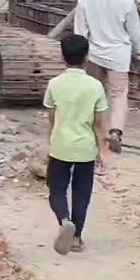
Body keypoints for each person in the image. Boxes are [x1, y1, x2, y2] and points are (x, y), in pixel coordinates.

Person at [44, 33, 108, 255]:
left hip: (60, 145)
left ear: (63, 57)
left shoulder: (54, 85)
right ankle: (77, 238)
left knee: (56, 189)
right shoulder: (95, 86)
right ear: (86, 57)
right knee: (82, 193)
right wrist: (103, 151)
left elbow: (52, 119)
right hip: (85, 148)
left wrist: (49, 144)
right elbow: (99, 125)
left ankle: (64, 220)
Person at [73, 0, 140, 154]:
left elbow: (80, 33)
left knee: (92, 94)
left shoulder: (84, 0)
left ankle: (89, 132)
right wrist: (137, 52)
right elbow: (134, 34)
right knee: (118, 95)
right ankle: (115, 132)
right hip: (119, 56)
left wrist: (80, 57)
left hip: (93, 54)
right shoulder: (126, 1)